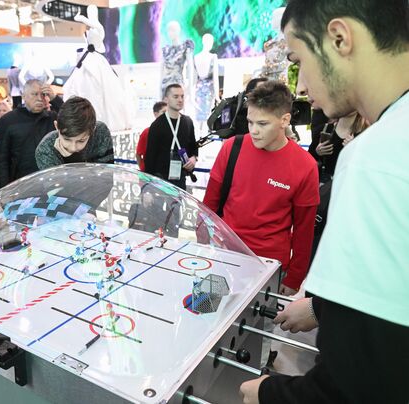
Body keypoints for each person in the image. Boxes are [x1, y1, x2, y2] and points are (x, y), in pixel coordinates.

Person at [240, 1, 409, 403]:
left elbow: (360, 382)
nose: (301, 89)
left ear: (339, 38)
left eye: (299, 60)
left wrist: (269, 394)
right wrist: (321, 308)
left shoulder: (377, 157)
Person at [202, 80, 318, 295]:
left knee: (251, 325)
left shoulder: (305, 166)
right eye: (250, 122)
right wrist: (203, 247)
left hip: (267, 266)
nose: (254, 131)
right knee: (205, 311)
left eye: (262, 124)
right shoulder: (231, 148)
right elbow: (208, 207)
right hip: (223, 257)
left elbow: (304, 230)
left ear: (284, 120)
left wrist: (294, 278)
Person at [62, 4, 134, 131]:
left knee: (105, 89)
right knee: (84, 86)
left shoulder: (98, 27)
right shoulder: (90, 32)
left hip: (95, 61)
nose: (90, 13)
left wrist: (82, 19)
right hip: (87, 59)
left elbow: (95, 27)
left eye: (92, 11)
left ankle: (102, 121)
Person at [0, 79, 63, 189]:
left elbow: (72, 118)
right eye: (35, 94)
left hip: (50, 185)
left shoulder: (51, 118)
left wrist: (55, 99)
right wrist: (2, 193)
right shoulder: (8, 121)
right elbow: (1, 161)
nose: (40, 98)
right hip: (19, 186)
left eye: (43, 94)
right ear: (24, 96)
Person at [35, 96, 114, 169]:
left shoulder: (101, 133)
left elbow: (106, 176)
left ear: (93, 130)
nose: (73, 148)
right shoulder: (45, 149)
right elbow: (60, 183)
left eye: (81, 141)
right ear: (56, 126)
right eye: (67, 139)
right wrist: (71, 159)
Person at [144, 84, 198, 190]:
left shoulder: (187, 122)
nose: (180, 100)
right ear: (166, 99)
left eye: (182, 96)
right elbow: (150, 157)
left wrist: (194, 158)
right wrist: (148, 188)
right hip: (159, 181)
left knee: (177, 206)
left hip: (180, 179)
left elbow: (193, 146)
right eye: (176, 96)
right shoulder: (157, 125)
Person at [136, 101, 167, 171]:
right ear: (155, 114)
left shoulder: (173, 132)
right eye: (164, 112)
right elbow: (138, 154)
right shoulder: (147, 132)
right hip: (149, 174)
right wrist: (143, 169)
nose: (167, 115)